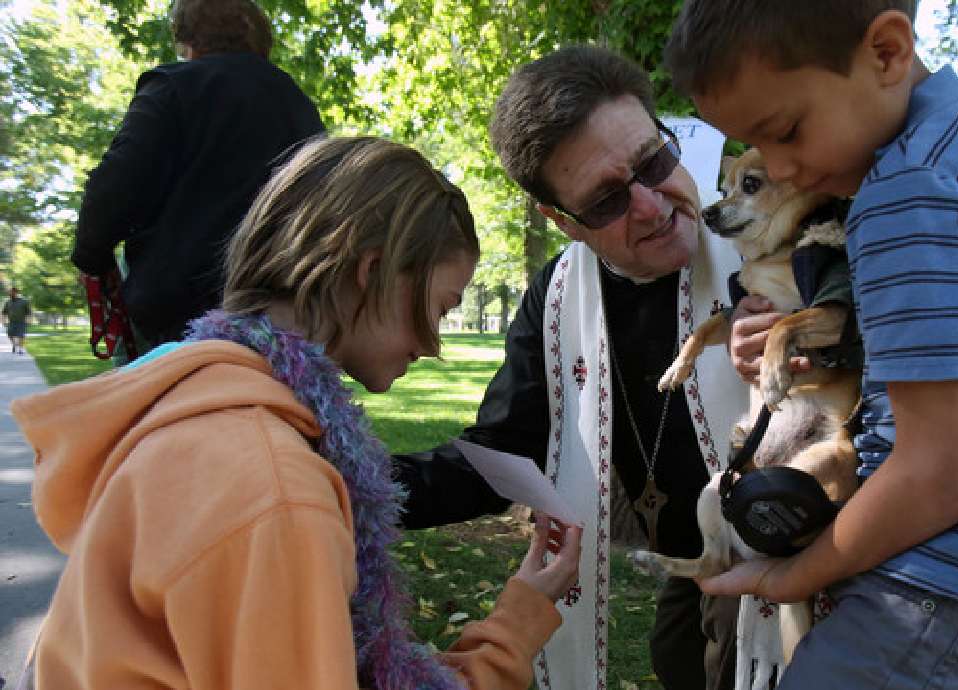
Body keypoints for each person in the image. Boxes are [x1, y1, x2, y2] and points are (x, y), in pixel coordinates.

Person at [392, 45, 958, 690]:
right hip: (704, 551)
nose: (653, 204)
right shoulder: (556, 303)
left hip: (840, 553)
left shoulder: (793, 215)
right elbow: (499, 452)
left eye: (655, 161)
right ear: (561, 222)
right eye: (605, 201)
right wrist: (346, 480)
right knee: (681, 656)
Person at [664, 1, 958, 687]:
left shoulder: (907, 193)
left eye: (788, 132)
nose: (785, 172)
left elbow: (936, 476)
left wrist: (794, 574)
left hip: (946, 578)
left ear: (886, 52)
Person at [12, 136, 581, 690]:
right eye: (439, 306)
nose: (432, 345)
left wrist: (516, 621)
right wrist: (516, 628)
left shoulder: (194, 409)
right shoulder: (276, 487)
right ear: (373, 271)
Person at [70, 0, 325, 358]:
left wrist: (92, 259)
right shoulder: (300, 107)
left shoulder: (174, 87)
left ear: (189, 41)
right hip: (275, 319)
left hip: (176, 316)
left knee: (158, 411)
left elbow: (112, 189)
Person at [3, 286, 32, 354]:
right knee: (10, 335)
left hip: (21, 322)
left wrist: (29, 320)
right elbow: (4, 312)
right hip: (11, 322)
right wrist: (3, 321)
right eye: (9, 293)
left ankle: (21, 349)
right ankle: (14, 345)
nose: (10, 294)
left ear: (16, 293)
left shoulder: (24, 301)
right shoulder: (8, 302)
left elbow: (29, 312)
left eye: (11, 292)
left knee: (21, 336)